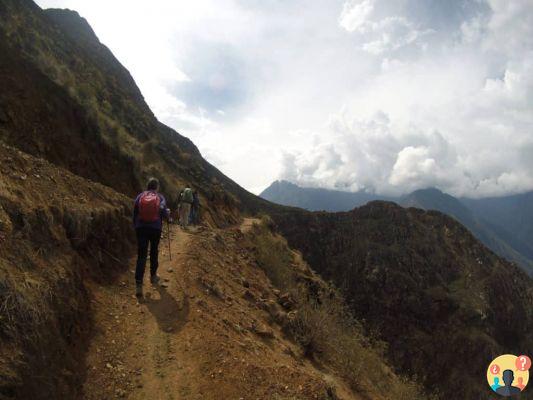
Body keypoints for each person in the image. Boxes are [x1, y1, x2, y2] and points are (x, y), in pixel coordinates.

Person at [133, 178, 170, 297]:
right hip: (155, 228)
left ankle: (139, 284)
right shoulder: (160, 197)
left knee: (141, 255)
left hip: (141, 227)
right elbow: (163, 211)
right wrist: (168, 218)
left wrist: (136, 226)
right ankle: (153, 276)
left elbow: (135, 212)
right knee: (154, 251)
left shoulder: (140, 196)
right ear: (156, 187)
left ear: (147, 186)